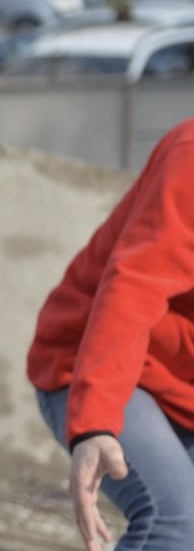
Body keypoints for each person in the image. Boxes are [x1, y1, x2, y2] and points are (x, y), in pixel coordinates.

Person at [27, 116, 194, 551]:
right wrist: (94, 426)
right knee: (176, 520)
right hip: (96, 367)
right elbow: (134, 288)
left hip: (182, 384)